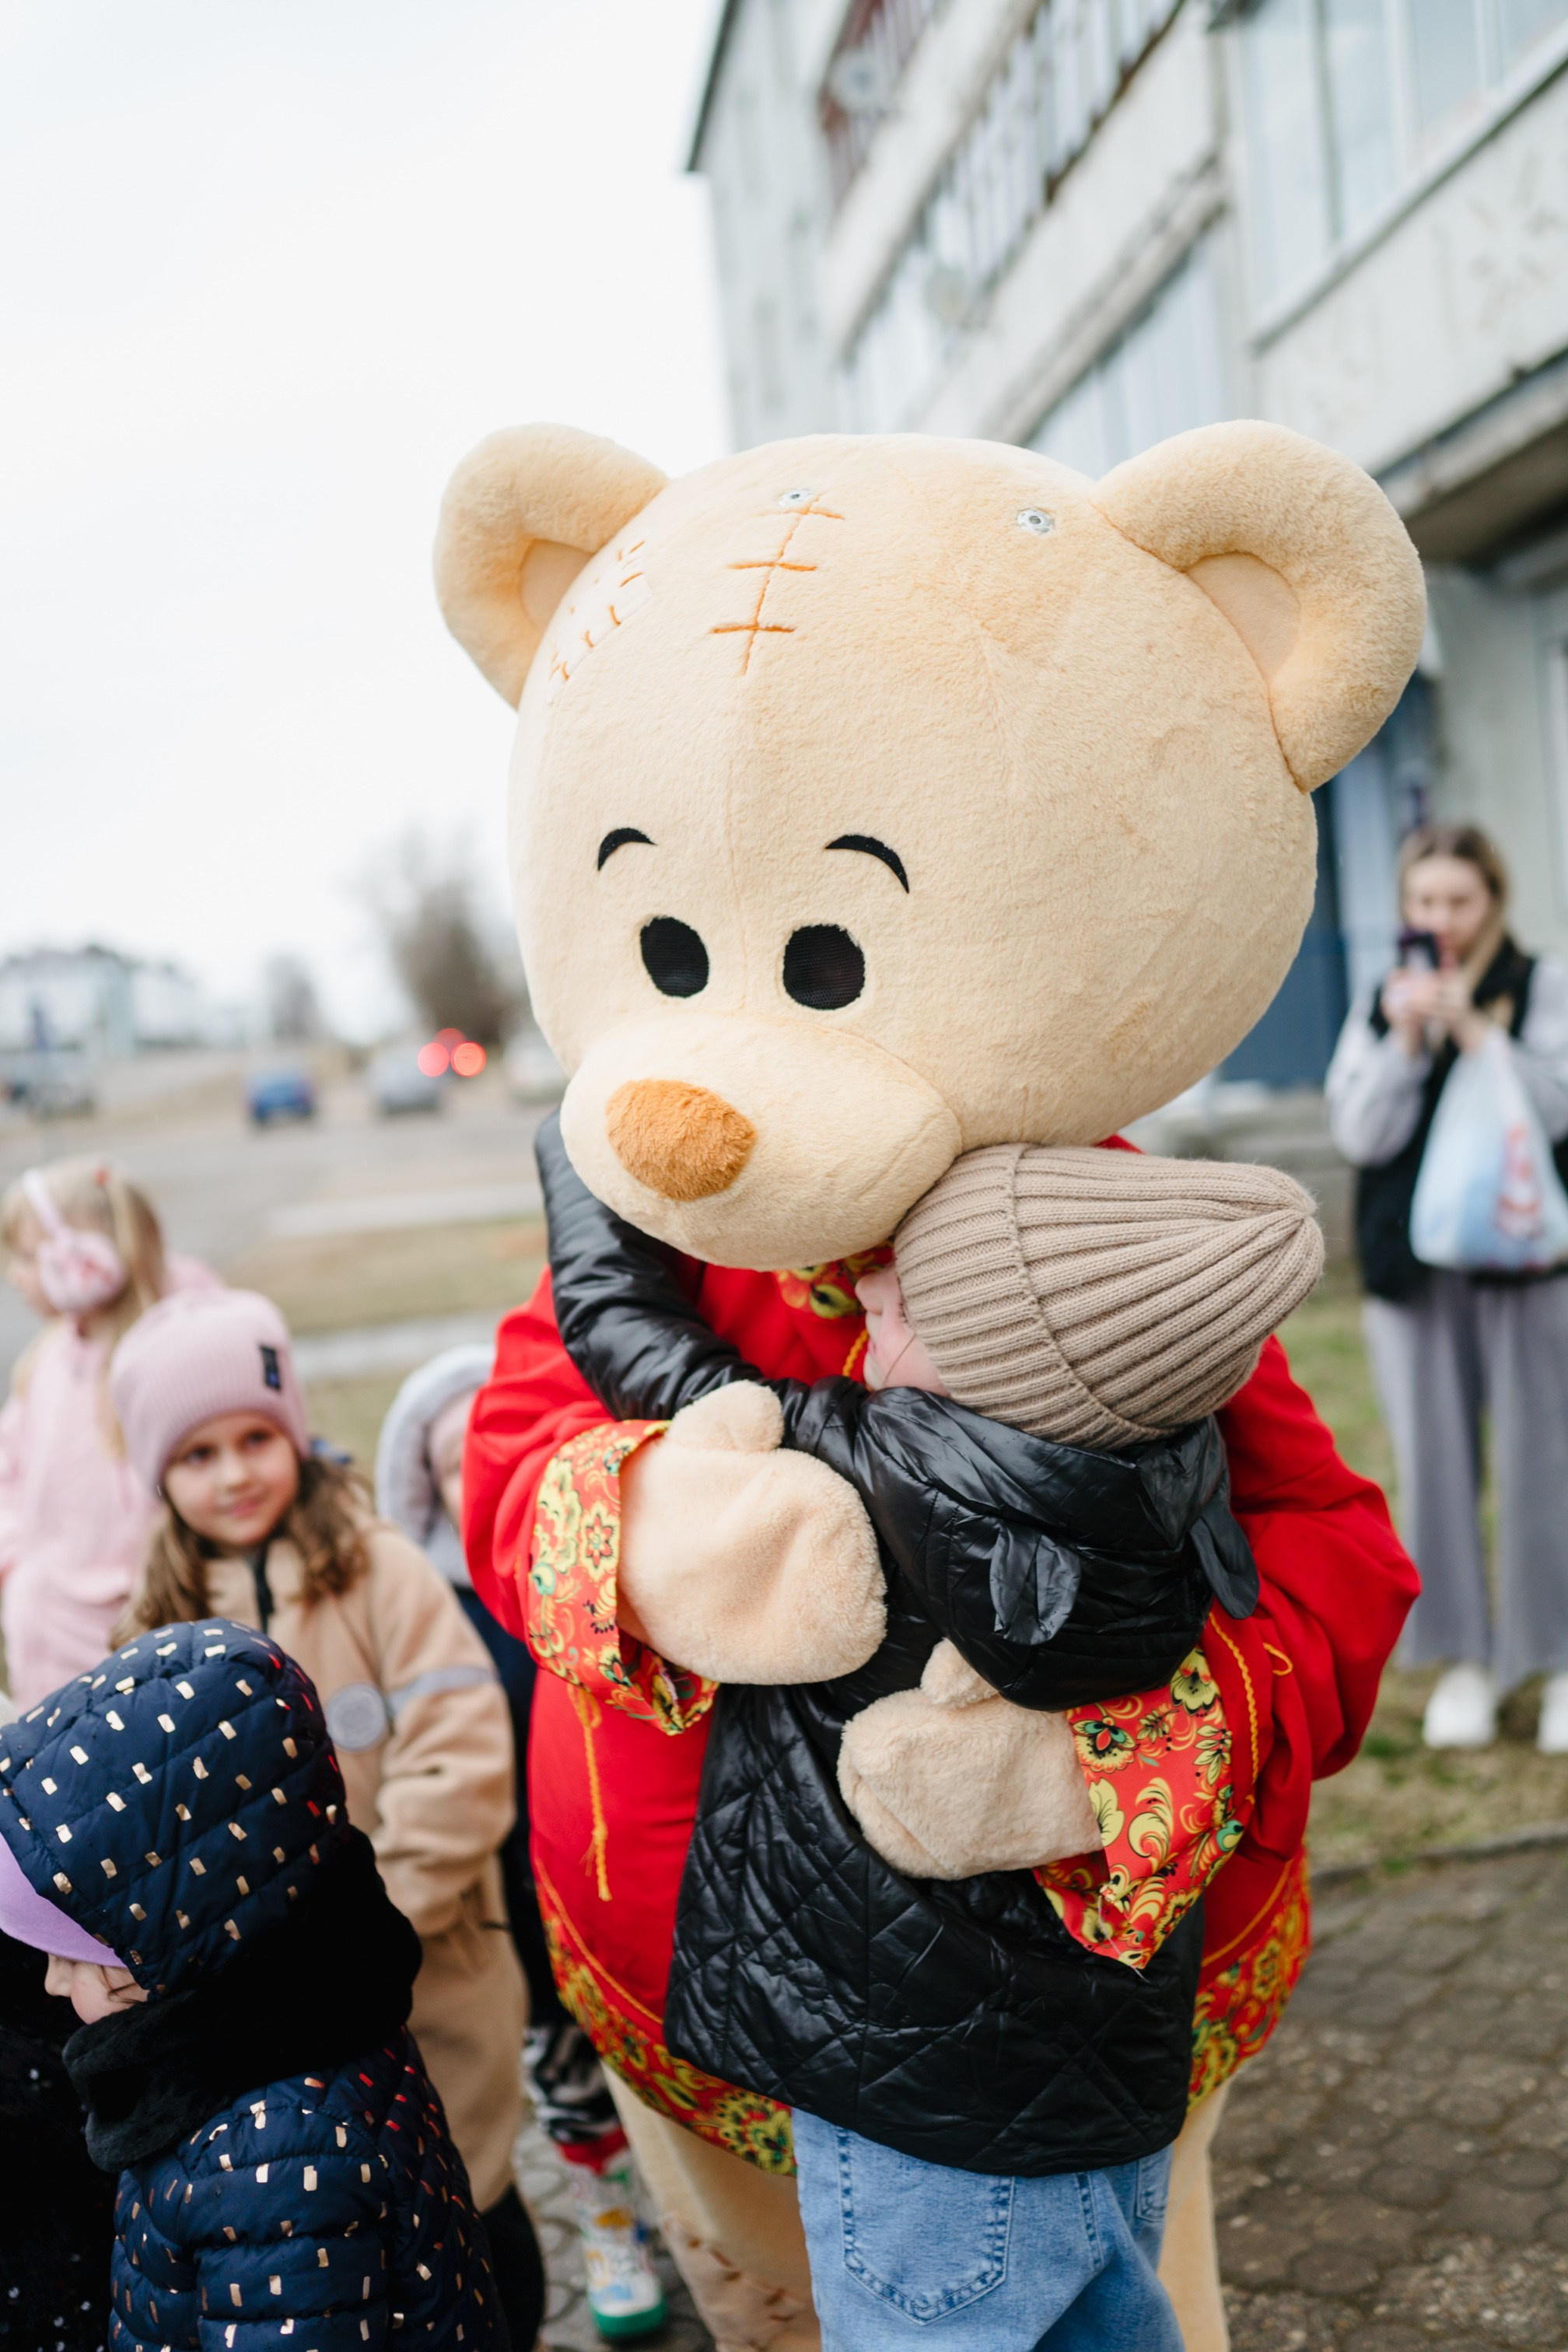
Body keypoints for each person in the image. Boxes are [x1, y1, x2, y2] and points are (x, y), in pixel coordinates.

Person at [461, 1116, 1414, 2352]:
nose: (860, 1295)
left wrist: (1126, 1761)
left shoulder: (1070, 1236)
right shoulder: (685, 1190)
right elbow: (519, 1449)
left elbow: (1327, 1543)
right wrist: (650, 1527)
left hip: (960, 2028)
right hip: (745, 1973)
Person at [107, 1288, 543, 2348]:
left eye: (256, 1437)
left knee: (470, 2204)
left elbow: (462, 1751)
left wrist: (373, 1917)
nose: (236, 1473)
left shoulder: (377, 1567)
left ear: (294, 1431)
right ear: (158, 1477)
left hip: (428, 1970)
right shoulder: (155, 1623)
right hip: (257, 2017)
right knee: (335, 2234)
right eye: (197, 1455)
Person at [0, 1619, 506, 2350]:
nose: (50, 1983)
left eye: (70, 1955)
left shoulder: (267, 2163)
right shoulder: (290, 2041)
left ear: (161, 1941)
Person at [376, 1347, 667, 2342]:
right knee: (565, 2075)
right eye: (447, 1464)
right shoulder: (428, 1613)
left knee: (650, 2064)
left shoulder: (569, 1583)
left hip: (611, 1885)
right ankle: (607, 2214)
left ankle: (682, 2203)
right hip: (511, 1907)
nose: (472, 1482)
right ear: (421, 1486)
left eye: (482, 1452)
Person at [1326, 821, 1568, 1753]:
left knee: (1541, 1460)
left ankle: (1549, 1660)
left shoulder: (1541, 986)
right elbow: (1359, 1134)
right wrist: (1410, 1039)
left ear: (1494, 901)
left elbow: (1553, 1110)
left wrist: (1478, 1033)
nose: (1442, 920)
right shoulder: (1383, 1002)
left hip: (1526, 1263)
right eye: (1424, 902)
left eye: (1459, 901)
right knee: (1432, 1465)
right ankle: (1463, 1662)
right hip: (1410, 1265)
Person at [0, 1157, 218, 1706]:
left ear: (85, 1261)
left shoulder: (166, 1360)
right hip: (46, 1639)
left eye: (25, 1258)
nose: (15, 1275)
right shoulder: (45, 1360)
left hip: (135, 1643)